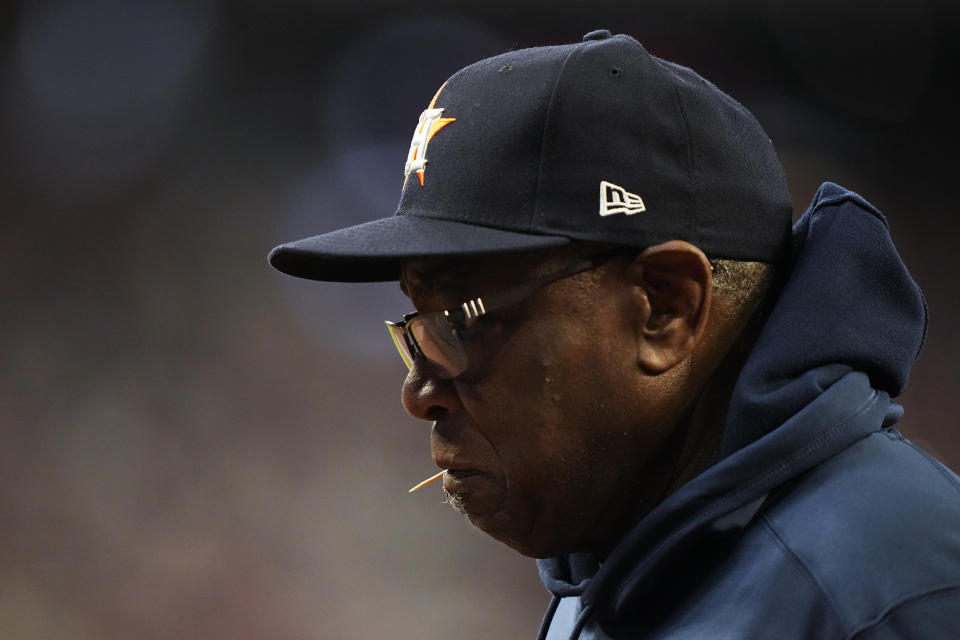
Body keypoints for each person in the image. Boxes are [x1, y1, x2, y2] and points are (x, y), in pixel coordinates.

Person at [268, 30, 960, 639]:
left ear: (665, 308)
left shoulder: (890, 593)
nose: (418, 395)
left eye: (465, 320)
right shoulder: (617, 561)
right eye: (420, 326)